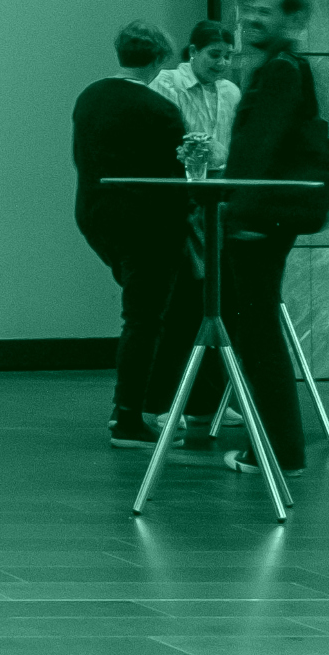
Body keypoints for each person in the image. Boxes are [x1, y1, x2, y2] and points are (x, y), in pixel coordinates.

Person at [192, 0, 328, 477]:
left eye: (266, 12)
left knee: (257, 336)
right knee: (258, 333)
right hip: (263, 219)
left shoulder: (279, 73)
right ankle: (278, 449)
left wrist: (240, 216)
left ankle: (277, 452)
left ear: (290, 22)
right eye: (249, 8)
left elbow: (260, 152)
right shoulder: (278, 69)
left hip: (258, 224)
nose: (252, 18)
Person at [72, 22, 192, 450]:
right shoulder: (159, 110)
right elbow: (180, 176)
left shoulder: (89, 97)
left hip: (97, 215)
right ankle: (130, 417)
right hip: (149, 224)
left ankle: (133, 406)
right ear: (159, 59)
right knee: (145, 318)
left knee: (141, 314)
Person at [152, 21, 241, 168]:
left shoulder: (231, 91)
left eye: (228, 56)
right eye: (215, 54)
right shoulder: (167, 82)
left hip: (223, 182)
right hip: (179, 179)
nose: (222, 63)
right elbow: (164, 141)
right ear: (193, 51)